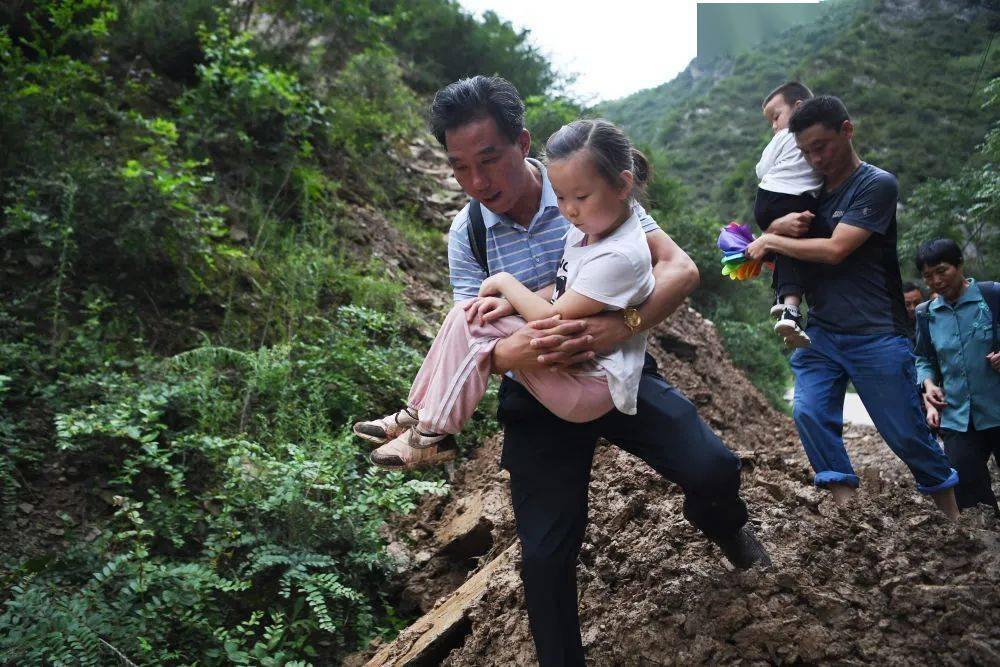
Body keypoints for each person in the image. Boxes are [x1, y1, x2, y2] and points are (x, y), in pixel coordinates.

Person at [412, 76, 770, 666]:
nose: (477, 182)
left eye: (489, 160)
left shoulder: (583, 186)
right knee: (546, 555)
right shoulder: (467, 232)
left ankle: (725, 526)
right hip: (536, 394)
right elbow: (471, 337)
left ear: (521, 143)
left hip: (614, 371)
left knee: (712, 465)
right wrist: (522, 351)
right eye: (459, 168)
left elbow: (679, 269)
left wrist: (618, 327)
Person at [355, 120, 656, 469]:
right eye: (561, 197)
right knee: (470, 313)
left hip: (590, 382)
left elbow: (555, 318)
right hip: (567, 368)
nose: (570, 209)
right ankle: (417, 413)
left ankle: (432, 433)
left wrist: (505, 283)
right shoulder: (586, 228)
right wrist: (508, 303)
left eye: (581, 197)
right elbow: (566, 287)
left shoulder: (619, 251)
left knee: (475, 325)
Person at [745, 96, 960, 518]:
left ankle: (953, 519)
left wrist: (770, 238)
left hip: (876, 331)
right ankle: (849, 515)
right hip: (822, 332)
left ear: (847, 129)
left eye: (822, 145)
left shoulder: (875, 184)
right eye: (806, 151)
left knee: (905, 434)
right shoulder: (807, 195)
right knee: (808, 412)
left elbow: (835, 250)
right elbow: (786, 253)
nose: (816, 158)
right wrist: (771, 233)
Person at [913, 239, 1000, 512]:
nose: (936, 280)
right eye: (928, 276)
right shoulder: (926, 314)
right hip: (958, 417)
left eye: (942, 271)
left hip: (997, 407)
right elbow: (924, 358)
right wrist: (928, 384)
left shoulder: (993, 296)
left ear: (960, 265)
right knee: (970, 495)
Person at [753, 81, 823, 347]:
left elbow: (761, 169)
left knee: (784, 249)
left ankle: (782, 300)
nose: (774, 126)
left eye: (776, 116)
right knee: (794, 247)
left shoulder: (785, 137)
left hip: (769, 201)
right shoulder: (792, 137)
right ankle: (791, 308)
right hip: (788, 199)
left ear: (799, 107)